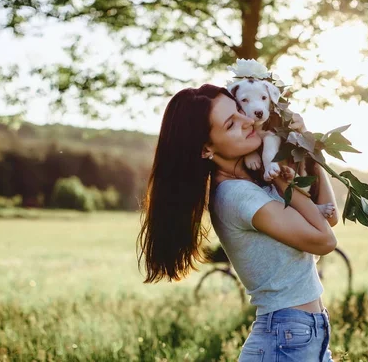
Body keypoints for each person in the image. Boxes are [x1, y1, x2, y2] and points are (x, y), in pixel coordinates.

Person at [137, 84, 339, 361]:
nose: (247, 121)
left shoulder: (252, 181)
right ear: (206, 148)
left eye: (239, 111)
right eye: (231, 124)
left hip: (302, 335)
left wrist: (307, 144)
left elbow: (330, 217)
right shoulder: (237, 195)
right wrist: (281, 178)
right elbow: (325, 240)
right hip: (286, 340)